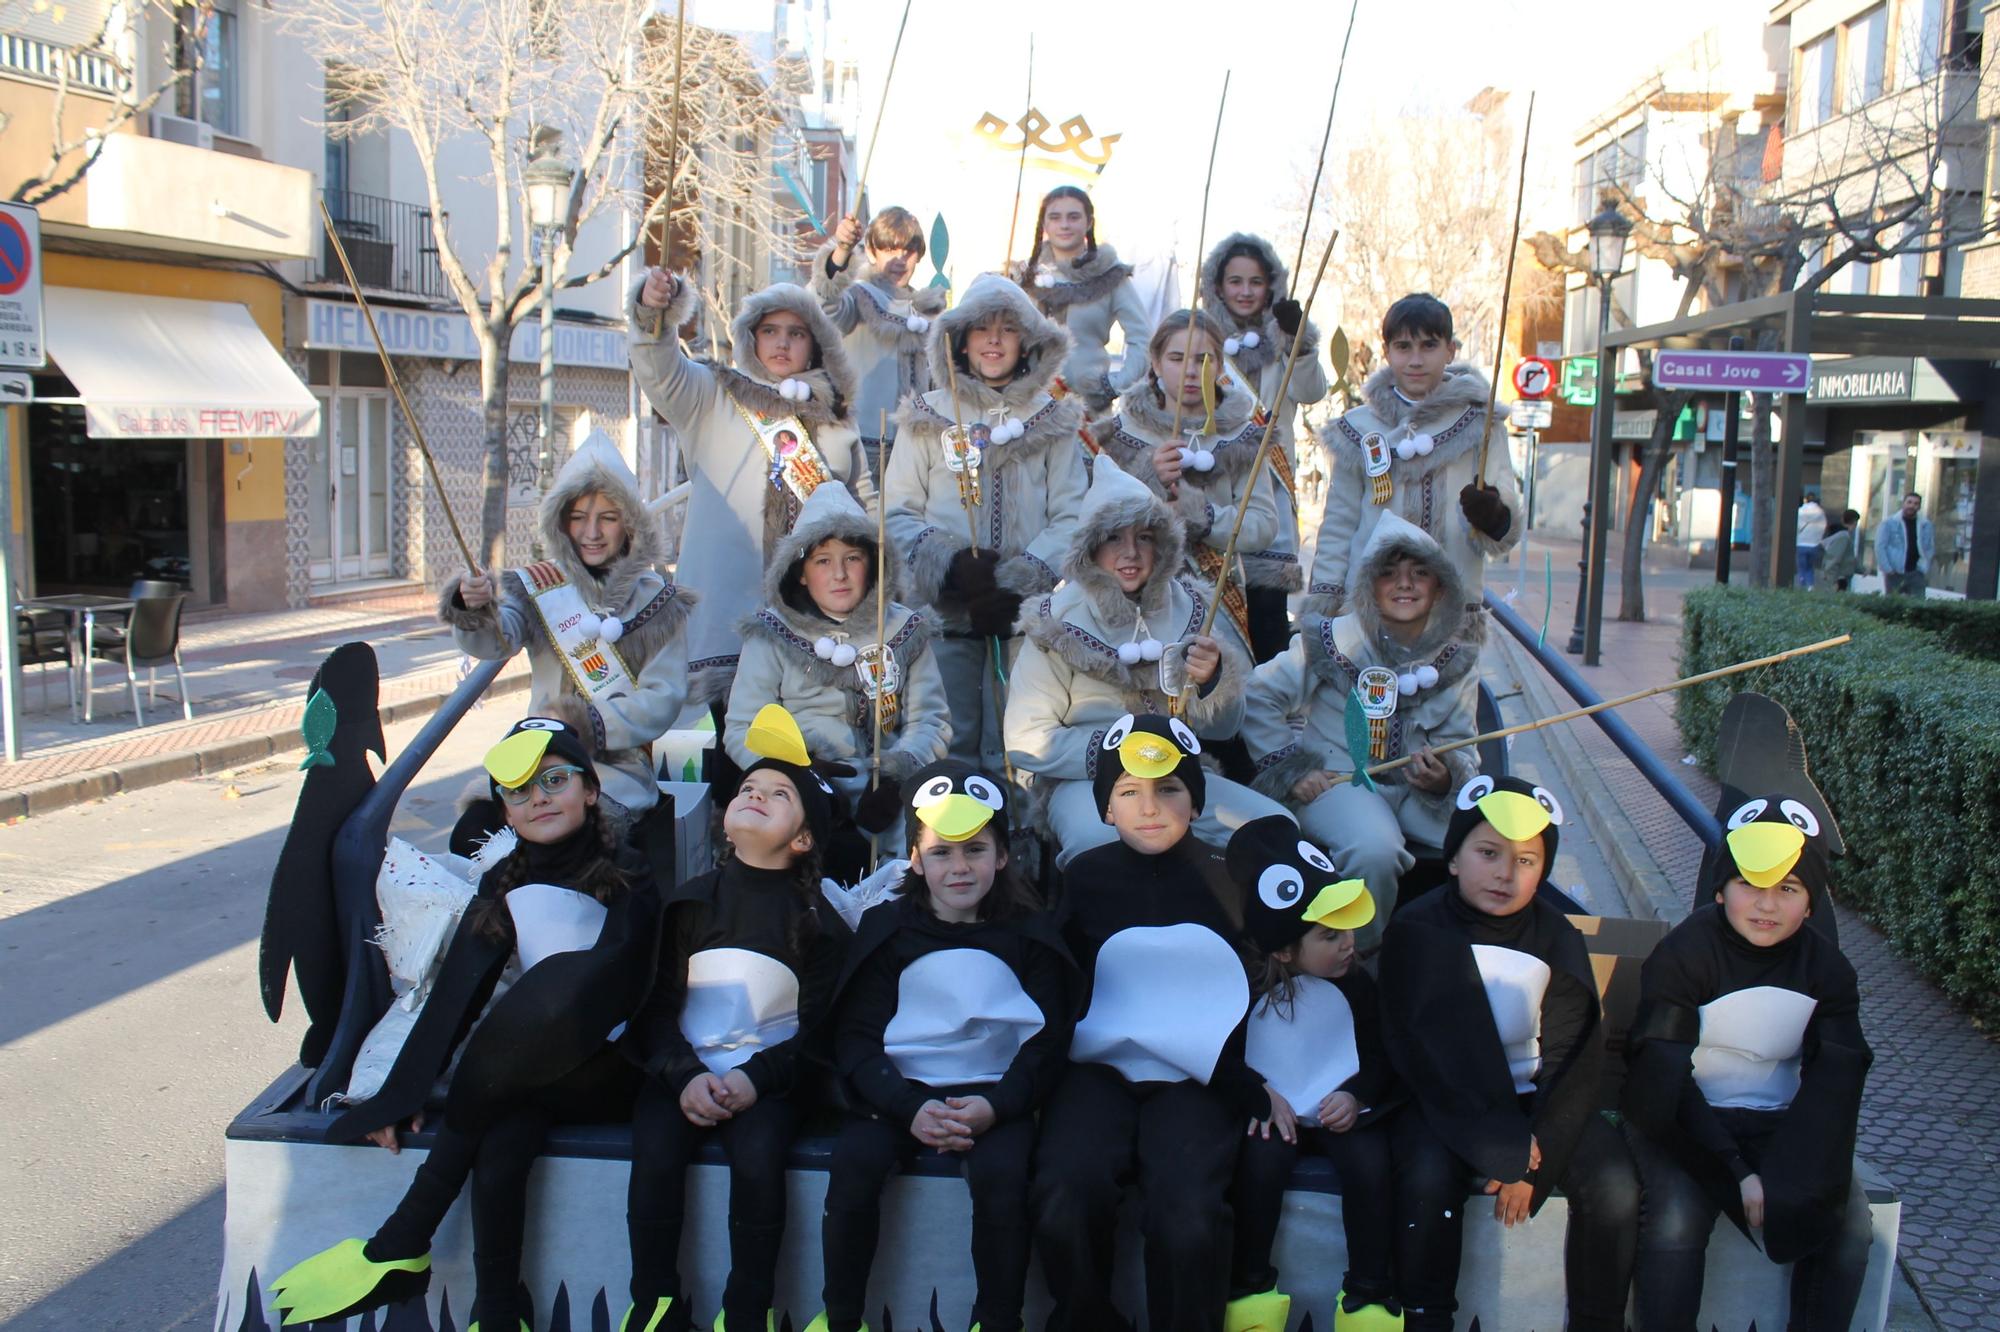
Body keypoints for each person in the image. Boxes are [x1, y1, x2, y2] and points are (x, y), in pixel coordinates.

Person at [271, 718, 658, 1332]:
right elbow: (457, 999)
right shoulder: (503, 881)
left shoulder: (632, 875)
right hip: (527, 1074)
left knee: (518, 1050)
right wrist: (404, 1093)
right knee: (503, 1136)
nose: (539, 799)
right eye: (519, 791)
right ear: (504, 811)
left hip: (615, 1066)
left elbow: (615, 989)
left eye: (554, 780)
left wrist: (490, 1063)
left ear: (589, 791)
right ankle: (500, 1312)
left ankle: (403, 1238)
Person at [807, 760, 1075, 1332]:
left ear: (1002, 855)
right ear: (914, 858)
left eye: (975, 850)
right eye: (942, 851)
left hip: (995, 1095)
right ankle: (842, 1317)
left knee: (1005, 1179)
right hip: (898, 1095)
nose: (959, 867)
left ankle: (999, 1319)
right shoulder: (888, 933)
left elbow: (1047, 1042)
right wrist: (907, 1107)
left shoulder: (1031, 936)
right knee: (854, 1164)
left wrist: (999, 1107)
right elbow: (856, 1038)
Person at [1031, 714, 1271, 1332]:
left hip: (1199, 1076)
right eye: (1128, 791)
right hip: (1100, 1071)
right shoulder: (1081, 876)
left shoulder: (1229, 881)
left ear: (1196, 798)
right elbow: (1055, 986)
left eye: (1168, 788)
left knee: (1187, 1213)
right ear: (1105, 808)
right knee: (1065, 1190)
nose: (1149, 807)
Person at [1378, 775, 1638, 1331]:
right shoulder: (1416, 930)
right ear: (1452, 859)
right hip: (1446, 1102)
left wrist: (1539, 1145)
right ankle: (1426, 1315)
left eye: (1526, 861)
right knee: (1426, 1178)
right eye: (1488, 853)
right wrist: (1501, 1148)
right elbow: (1423, 1054)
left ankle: (1598, 1319)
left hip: (1534, 1103)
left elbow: (1574, 1055)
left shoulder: (1558, 937)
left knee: (1614, 1183)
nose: (1505, 873)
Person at [622, 706, 851, 1332]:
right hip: (684, 1070)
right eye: (749, 788)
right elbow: (659, 1005)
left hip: (770, 1080)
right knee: (657, 1156)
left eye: (779, 795)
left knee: (758, 1163)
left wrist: (757, 1079)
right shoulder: (692, 900)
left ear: (804, 838)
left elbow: (817, 1030)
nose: (755, 795)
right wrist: (682, 1074)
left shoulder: (817, 926)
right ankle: (655, 1301)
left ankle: (747, 1308)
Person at [1621, 790, 1874, 1331]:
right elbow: (1661, 1077)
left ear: (1812, 902)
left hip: (1782, 1127)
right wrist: (1734, 1170)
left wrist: (1791, 1171)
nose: (1766, 905)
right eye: (1748, 885)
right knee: (1676, 1222)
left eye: (1787, 888)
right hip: (1684, 1123)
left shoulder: (1828, 971)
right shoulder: (1683, 956)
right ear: (1720, 890)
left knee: (1850, 1226)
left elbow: (1836, 1085)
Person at [1004, 462, 1291, 865]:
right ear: (1089, 548)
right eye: (1113, 538)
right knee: (1098, 846)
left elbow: (1224, 729)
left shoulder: (1194, 607)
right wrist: (1122, 756)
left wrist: (1211, 683)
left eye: (1144, 536)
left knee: (1273, 828)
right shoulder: (1054, 622)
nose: (1131, 553)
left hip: (1178, 776)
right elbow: (1026, 740)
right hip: (1086, 781)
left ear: (1164, 545)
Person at [630, 268, 879, 714]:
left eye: (796, 333)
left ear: (815, 343)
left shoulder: (838, 418)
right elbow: (659, 370)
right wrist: (654, 312)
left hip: (814, 622)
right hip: (723, 617)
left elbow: (866, 510)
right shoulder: (711, 395)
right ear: (752, 338)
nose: (782, 343)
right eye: (770, 331)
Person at [1243, 513, 1482, 946]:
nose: (1404, 584)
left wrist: (1444, 777)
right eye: (1387, 573)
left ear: (1440, 587)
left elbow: (1463, 744)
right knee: (1374, 850)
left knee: (1485, 841)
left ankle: (1456, 952)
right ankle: (1358, 961)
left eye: (1419, 573)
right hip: (1338, 782)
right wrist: (1291, 768)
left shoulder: (1458, 660)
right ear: (1368, 585)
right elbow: (1258, 694)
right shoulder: (1333, 638)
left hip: (1417, 795)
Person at [442, 435, 695, 834]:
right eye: (578, 517)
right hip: (538, 756)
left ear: (629, 523)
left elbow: (662, 700)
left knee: (574, 836)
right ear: (560, 523)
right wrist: (473, 607)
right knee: (472, 831)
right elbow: (495, 641)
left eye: (608, 517)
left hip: (617, 772)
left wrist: (585, 722)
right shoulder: (538, 588)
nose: (591, 532)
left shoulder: (659, 603)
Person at [886, 272, 1088, 770]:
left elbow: (1072, 514)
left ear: (1028, 343)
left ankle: (1014, 841)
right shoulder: (927, 416)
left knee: (1017, 744)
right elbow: (896, 511)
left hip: (1021, 620)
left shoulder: (1053, 421)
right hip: (945, 614)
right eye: (981, 328)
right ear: (959, 340)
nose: (994, 340)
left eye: (1008, 328)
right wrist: (950, 565)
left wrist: (1021, 582)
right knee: (948, 738)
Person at [1225, 817, 1401, 1332]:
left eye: (1347, 927)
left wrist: (1357, 1096)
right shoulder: (1248, 991)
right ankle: (1251, 1286)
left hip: (1339, 1112)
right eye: (1330, 935)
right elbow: (1224, 1056)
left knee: (1370, 1166)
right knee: (1259, 1167)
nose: (1348, 943)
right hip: (1274, 1112)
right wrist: (1256, 1096)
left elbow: (1381, 1054)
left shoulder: (1359, 986)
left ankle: (1369, 1291)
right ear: (1283, 949)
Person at [724, 481, 950, 866]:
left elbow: (931, 719)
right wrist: (800, 775)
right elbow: (742, 728)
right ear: (799, 572)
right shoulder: (770, 634)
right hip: (798, 784)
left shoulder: (904, 629)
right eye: (823, 561)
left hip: (886, 791)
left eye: (853, 558)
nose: (839, 574)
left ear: (873, 562)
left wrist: (899, 779)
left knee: (926, 847)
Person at [1304, 293, 1521, 618]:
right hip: (1371, 606)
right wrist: (1325, 600)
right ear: (1387, 352)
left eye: (1429, 345)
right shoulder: (1358, 429)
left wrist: (1493, 516)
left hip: (1452, 607)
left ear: (1450, 350)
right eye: (1404, 347)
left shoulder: (1481, 424)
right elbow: (1340, 521)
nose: (1416, 360)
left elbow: (1505, 504)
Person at [1094, 309, 1283, 671]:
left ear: (1221, 366)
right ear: (1155, 362)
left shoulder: (1242, 437)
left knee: (1212, 702)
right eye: (1177, 358)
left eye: (1204, 359)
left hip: (1217, 602)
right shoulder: (1119, 435)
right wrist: (1147, 480)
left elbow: (1262, 526)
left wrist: (1204, 515)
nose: (1192, 371)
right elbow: (1094, 524)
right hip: (1134, 602)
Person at [1201, 233, 1330, 662]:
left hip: (1269, 488)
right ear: (1217, 286)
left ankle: (1267, 717)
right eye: (1235, 281)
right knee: (1213, 621)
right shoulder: (1202, 342)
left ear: (1270, 285)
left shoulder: (1284, 344)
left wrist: (1299, 339)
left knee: (1269, 622)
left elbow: (1311, 391)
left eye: (1255, 282)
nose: (1244, 291)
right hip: (1215, 487)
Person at [812, 207, 946, 477]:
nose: (899, 259)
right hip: (864, 447)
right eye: (888, 249)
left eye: (907, 250)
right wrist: (842, 250)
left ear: (918, 255)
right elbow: (825, 305)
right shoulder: (858, 297)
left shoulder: (930, 311)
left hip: (917, 452)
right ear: (872, 252)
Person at [1008, 185, 1153, 414]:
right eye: (1055, 217)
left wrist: (1114, 385)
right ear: (1044, 224)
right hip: (1028, 404)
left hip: (1086, 409)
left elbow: (1143, 338)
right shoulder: (1023, 276)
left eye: (1073, 217)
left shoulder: (1110, 275)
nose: (1064, 225)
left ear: (1089, 222)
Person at [1875, 492, 1935, 597]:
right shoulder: (1889, 523)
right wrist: (1887, 569)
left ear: (1919, 506)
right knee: (1894, 605)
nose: (1912, 506)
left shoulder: (1925, 525)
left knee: (1918, 606)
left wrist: (1924, 566)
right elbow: (1880, 547)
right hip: (1895, 573)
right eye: (1909, 502)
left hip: (1916, 572)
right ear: (1903, 504)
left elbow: (1929, 546)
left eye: (1916, 503)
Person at [1817, 508, 1861, 592]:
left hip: (1840, 576)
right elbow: (1834, 559)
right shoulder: (1843, 537)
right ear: (1855, 522)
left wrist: (1861, 569)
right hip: (1840, 578)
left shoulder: (1840, 535)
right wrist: (1833, 582)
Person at [1794, 493, 1826, 589]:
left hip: (1801, 543)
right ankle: (1810, 586)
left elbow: (1796, 526)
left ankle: (1801, 582)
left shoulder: (1800, 511)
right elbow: (1823, 527)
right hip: (1814, 544)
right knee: (1810, 567)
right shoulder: (1820, 513)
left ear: (1805, 500)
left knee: (1801, 566)